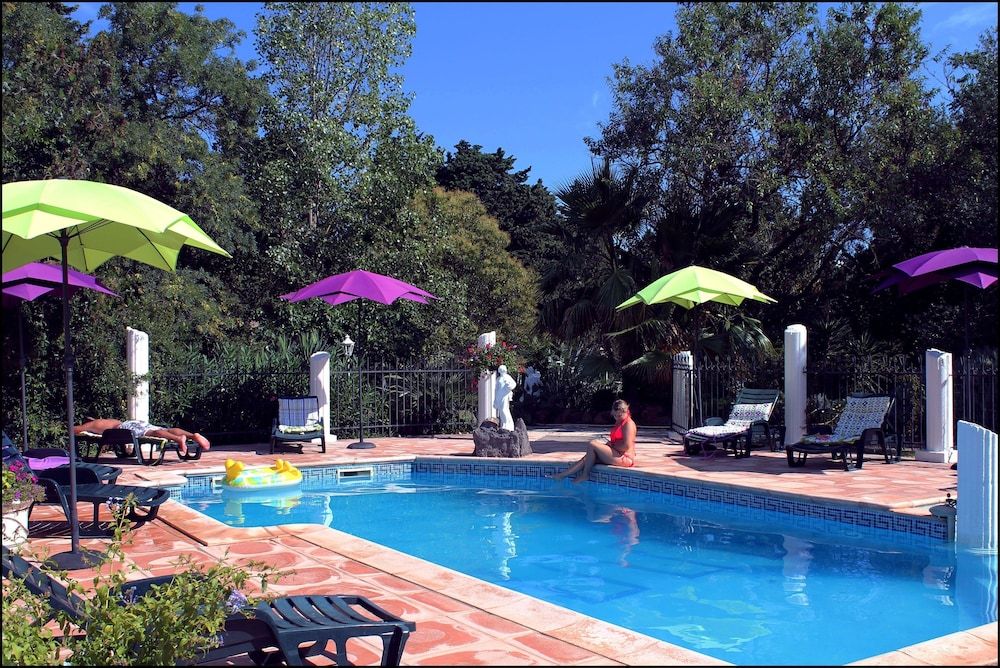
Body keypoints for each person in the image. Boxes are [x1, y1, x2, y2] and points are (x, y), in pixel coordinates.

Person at [549, 399, 636, 483]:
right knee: (589, 457)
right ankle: (561, 476)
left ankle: (585, 475)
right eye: (615, 416)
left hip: (625, 457)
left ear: (626, 411)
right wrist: (610, 445)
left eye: (619, 416)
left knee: (592, 444)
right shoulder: (620, 421)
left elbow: (626, 446)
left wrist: (611, 445)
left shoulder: (628, 424)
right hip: (617, 453)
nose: (617, 418)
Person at [73, 418, 211, 456]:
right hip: (135, 423)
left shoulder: (96, 424)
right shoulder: (110, 421)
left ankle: (178, 439)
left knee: (152, 433)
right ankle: (192, 435)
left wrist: (73, 429)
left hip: (127, 428)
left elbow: (76, 429)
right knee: (163, 429)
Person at [493, 364, 517, 431]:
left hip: (505, 395)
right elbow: (496, 389)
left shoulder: (507, 377)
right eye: (500, 370)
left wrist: (508, 385)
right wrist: (495, 399)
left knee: (504, 409)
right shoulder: (498, 379)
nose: (501, 371)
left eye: (502, 370)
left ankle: (508, 424)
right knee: (501, 410)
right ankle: (504, 423)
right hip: (499, 395)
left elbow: (513, 384)